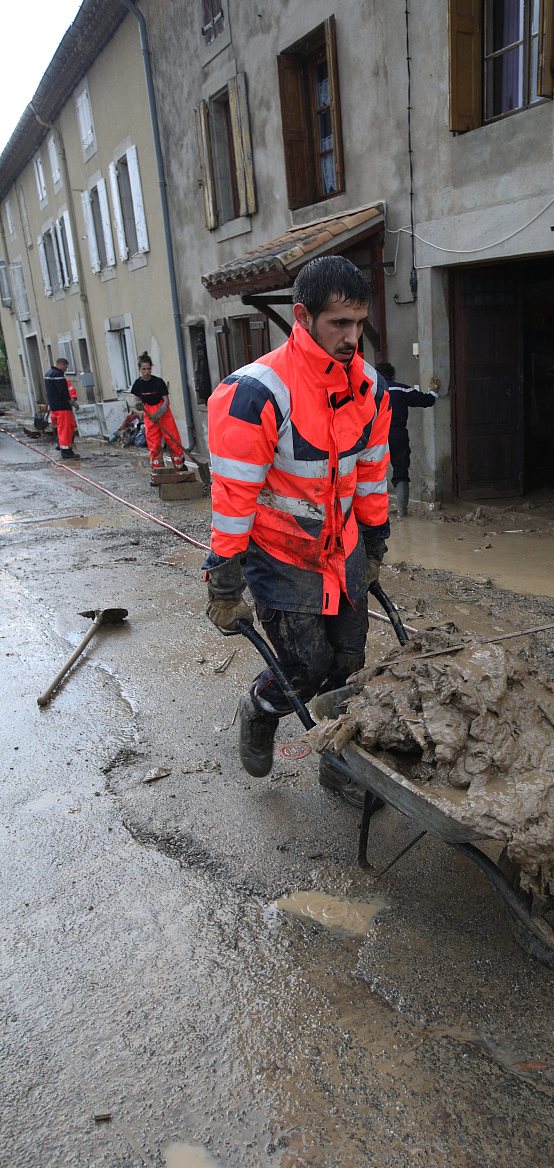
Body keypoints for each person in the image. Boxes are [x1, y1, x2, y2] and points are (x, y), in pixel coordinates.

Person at [203, 256, 391, 799]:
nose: (352, 338)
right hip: (282, 555)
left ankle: (339, 768)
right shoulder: (256, 393)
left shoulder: (370, 389)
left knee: (350, 665)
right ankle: (260, 708)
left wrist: (375, 544)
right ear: (303, 317)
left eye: (359, 323)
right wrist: (224, 584)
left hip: (343, 550)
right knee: (305, 667)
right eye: (339, 323)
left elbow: (372, 474)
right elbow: (234, 499)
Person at [376, 362, 440, 516]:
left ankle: (377, 513)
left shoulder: (371, 391)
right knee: (400, 471)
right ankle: (402, 512)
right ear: (393, 375)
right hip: (398, 436)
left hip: (377, 438)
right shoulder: (402, 389)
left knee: (372, 474)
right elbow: (426, 401)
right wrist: (433, 392)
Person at [130, 353, 186, 471]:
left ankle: (179, 466)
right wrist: (138, 405)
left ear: (151, 368)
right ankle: (158, 469)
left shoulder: (158, 382)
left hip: (163, 412)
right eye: (144, 369)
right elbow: (136, 400)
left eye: (148, 369)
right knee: (153, 442)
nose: (146, 371)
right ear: (140, 369)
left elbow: (166, 401)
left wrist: (158, 414)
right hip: (148, 413)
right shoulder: (138, 384)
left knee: (172, 438)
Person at [44, 358, 80, 460]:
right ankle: (66, 451)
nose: (66, 369)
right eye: (66, 367)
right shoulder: (58, 375)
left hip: (54, 407)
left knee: (62, 428)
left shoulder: (48, 374)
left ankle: (62, 447)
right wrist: (71, 401)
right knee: (65, 429)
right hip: (62, 407)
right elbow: (63, 392)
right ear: (61, 365)